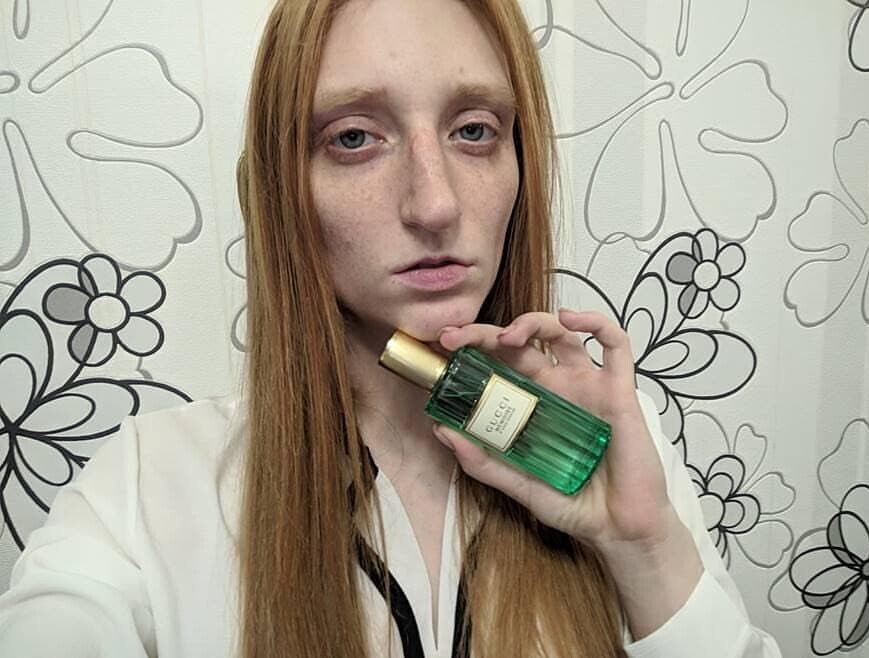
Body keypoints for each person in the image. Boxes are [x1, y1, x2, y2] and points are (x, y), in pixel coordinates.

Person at [0, 1, 783, 656]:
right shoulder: (147, 489)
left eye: (474, 130)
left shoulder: (609, 443)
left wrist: (645, 549)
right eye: (354, 138)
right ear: (284, 188)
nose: (435, 203)